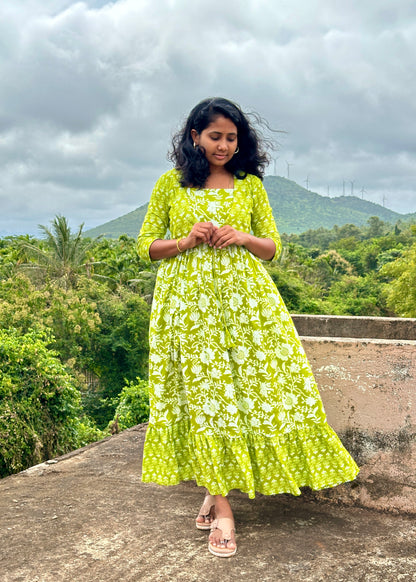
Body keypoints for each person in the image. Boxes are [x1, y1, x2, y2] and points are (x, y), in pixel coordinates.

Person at [137, 97, 359, 558]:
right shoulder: (170, 186)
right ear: (194, 136)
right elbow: (146, 247)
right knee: (205, 397)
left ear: (241, 141)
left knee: (260, 393)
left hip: (248, 309)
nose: (223, 145)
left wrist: (241, 237)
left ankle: (215, 487)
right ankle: (223, 512)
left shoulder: (250, 186)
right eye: (215, 136)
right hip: (189, 309)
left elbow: (271, 247)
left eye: (231, 138)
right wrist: (186, 239)